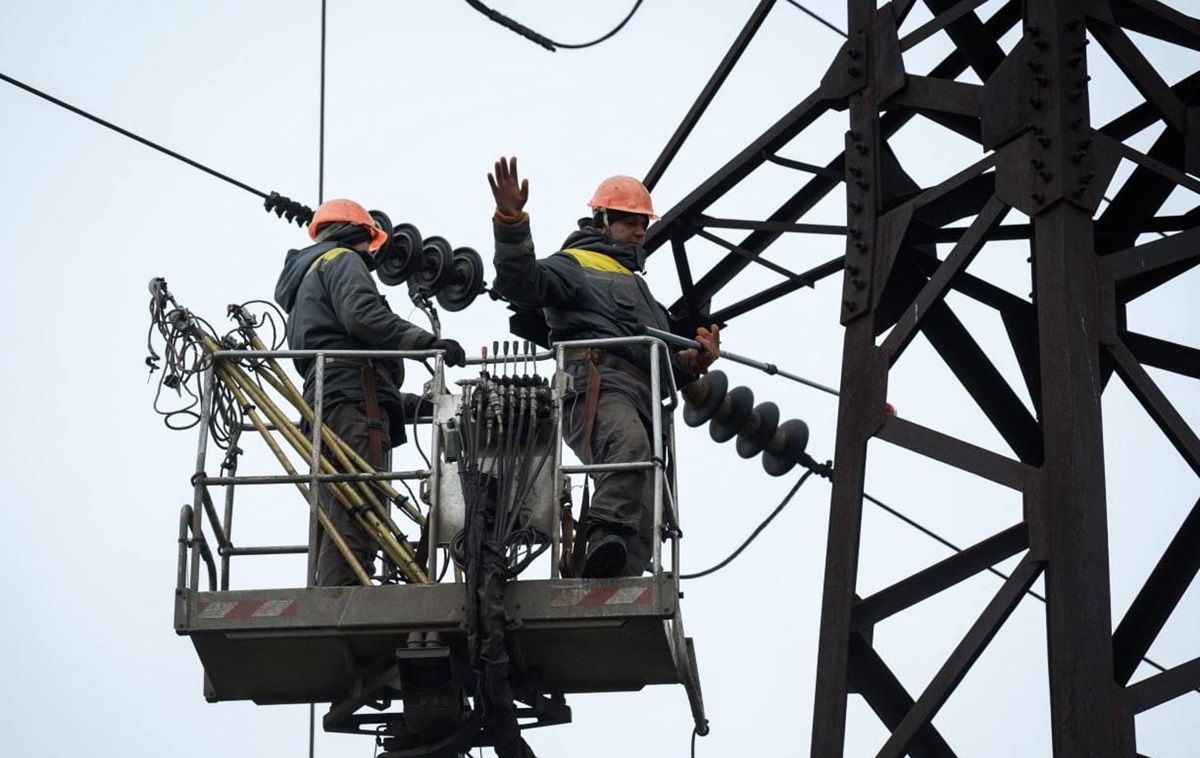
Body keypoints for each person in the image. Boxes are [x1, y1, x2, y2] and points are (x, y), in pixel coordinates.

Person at [487, 157, 719, 578]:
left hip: (643, 399)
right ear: (604, 220)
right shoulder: (575, 264)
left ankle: (613, 583)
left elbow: (662, 364)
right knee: (627, 450)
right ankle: (601, 538)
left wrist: (692, 362)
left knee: (647, 510)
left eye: (643, 224)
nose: (640, 232)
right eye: (630, 222)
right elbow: (520, 282)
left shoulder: (641, 290)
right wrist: (511, 220)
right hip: (599, 386)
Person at [274, 198, 466, 586]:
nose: (372, 256)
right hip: (352, 401)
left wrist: (419, 406)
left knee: (337, 502)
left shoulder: (308, 276)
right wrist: (426, 343)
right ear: (357, 233)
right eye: (370, 244)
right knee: (360, 504)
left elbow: (355, 365)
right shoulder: (342, 260)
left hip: (329, 398)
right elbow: (363, 316)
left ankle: (331, 589)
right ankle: (343, 596)